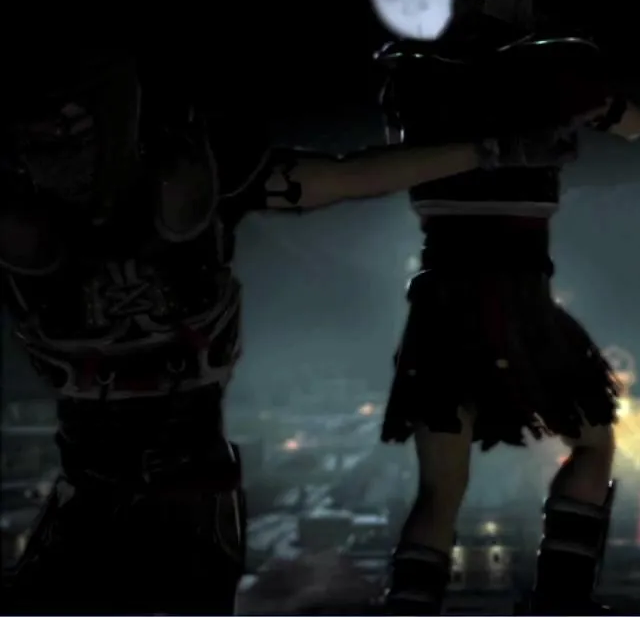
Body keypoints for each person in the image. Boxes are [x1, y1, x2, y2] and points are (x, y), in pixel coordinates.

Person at [0, 42, 576, 615]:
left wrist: (489, 151)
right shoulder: (35, 217)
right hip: (103, 498)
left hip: (186, 503)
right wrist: (490, 151)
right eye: (41, 132)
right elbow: (345, 177)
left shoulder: (193, 182)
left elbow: (346, 177)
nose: (58, 148)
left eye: (72, 124)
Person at [375, 0, 640, 616]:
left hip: (440, 303)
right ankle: (562, 599)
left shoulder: (415, 75)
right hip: (520, 298)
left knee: (439, 491)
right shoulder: (551, 66)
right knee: (593, 443)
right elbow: (635, 125)